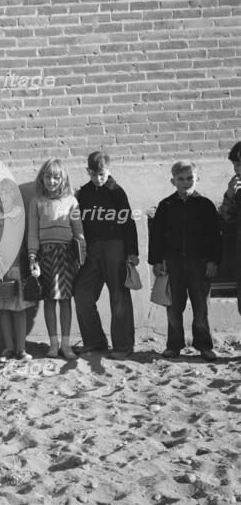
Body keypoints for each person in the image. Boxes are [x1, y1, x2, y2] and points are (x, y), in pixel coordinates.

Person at [149, 160, 221, 360]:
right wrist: (156, 261)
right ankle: (174, 345)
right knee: (174, 308)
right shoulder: (166, 205)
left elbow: (216, 235)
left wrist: (213, 260)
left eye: (190, 178)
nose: (186, 182)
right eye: (180, 179)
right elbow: (157, 236)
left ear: (197, 178)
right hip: (173, 264)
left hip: (200, 263)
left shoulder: (206, 205)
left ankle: (204, 345)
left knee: (201, 307)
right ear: (173, 181)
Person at [73, 151, 139, 359]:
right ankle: (94, 341)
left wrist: (132, 252)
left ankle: (123, 346)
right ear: (88, 172)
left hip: (115, 247)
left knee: (119, 296)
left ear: (109, 170)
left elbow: (128, 221)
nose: (98, 178)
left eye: (102, 174)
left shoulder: (117, 192)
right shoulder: (83, 193)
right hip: (91, 249)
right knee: (82, 293)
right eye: (94, 174)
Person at [27, 160, 85, 360]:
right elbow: (33, 232)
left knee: (66, 300)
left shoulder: (72, 201)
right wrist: (32, 255)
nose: (52, 181)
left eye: (56, 177)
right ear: (42, 178)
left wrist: (81, 254)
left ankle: (66, 345)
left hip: (67, 255)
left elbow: (78, 232)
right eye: (48, 177)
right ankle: (53, 345)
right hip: (46, 255)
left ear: (63, 179)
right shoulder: (37, 202)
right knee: (50, 300)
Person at [0, 178, 36, 362]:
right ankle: (8, 347)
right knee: (3, 310)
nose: (3, 198)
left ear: (13, 196)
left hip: (18, 267)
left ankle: (21, 348)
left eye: (7, 193)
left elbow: (29, 237)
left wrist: (31, 259)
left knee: (19, 309)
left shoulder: (20, 214)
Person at [219, 141, 241, 315]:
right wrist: (229, 196)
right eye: (234, 164)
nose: (236, 169)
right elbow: (227, 218)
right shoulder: (236, 188)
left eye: (239, 164)